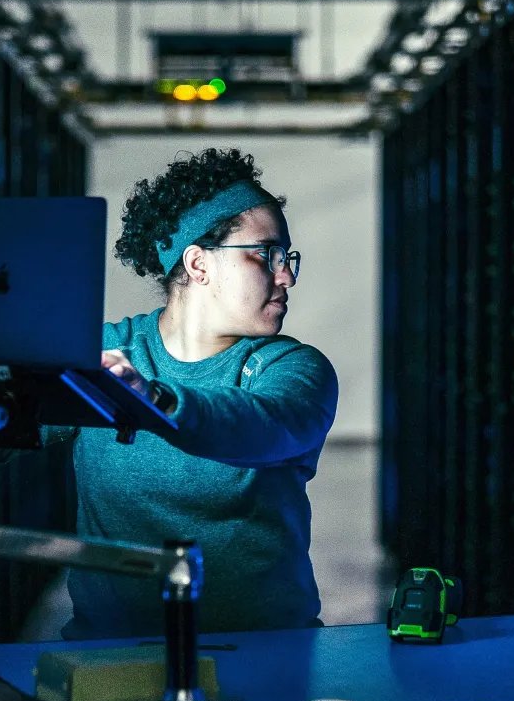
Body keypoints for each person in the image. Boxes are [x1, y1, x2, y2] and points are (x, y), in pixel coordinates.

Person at [52, 148, 338, 640]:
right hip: (110, 654)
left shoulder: (291, 367)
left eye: (287, 258)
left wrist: (154, 401)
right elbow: (3, 425)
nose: (286, 275)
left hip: (266, 653)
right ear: (199, 263)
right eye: (266, 254)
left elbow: (262, 424)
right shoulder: (102, 354)